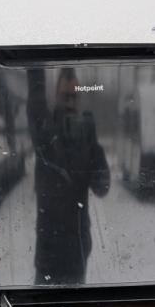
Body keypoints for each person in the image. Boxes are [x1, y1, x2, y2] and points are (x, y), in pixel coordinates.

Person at [27, 67, 110, 285]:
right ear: (56, 96)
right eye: (66, 96)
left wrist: (94, 147)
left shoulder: (85, 139)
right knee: (41, 304)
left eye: (75, 96)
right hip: (49, 250)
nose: (71, 102)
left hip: (77, 250)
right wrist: (30, 59)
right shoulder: (45, 131)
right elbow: (35, 103)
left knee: (77, 305)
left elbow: (102, 188)